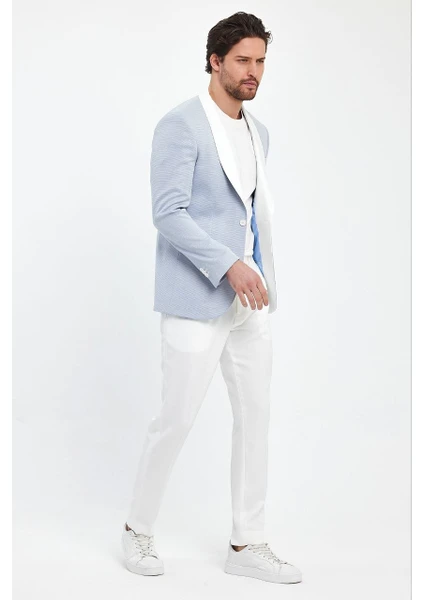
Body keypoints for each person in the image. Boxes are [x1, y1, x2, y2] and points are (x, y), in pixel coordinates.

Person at [121, 11, 302, 585]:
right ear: (214, 61)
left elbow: (248, 211)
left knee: (256, 418)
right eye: (243, 60)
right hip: (197, 298)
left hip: (251, 303)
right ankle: (137, 529)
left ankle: (247, 542)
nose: (254, 72)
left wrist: (260, 270)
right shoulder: (180, 125)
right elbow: (167, 212)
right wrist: (229, 265)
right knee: (176, 419)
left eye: (261, 61)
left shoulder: (259, 132)